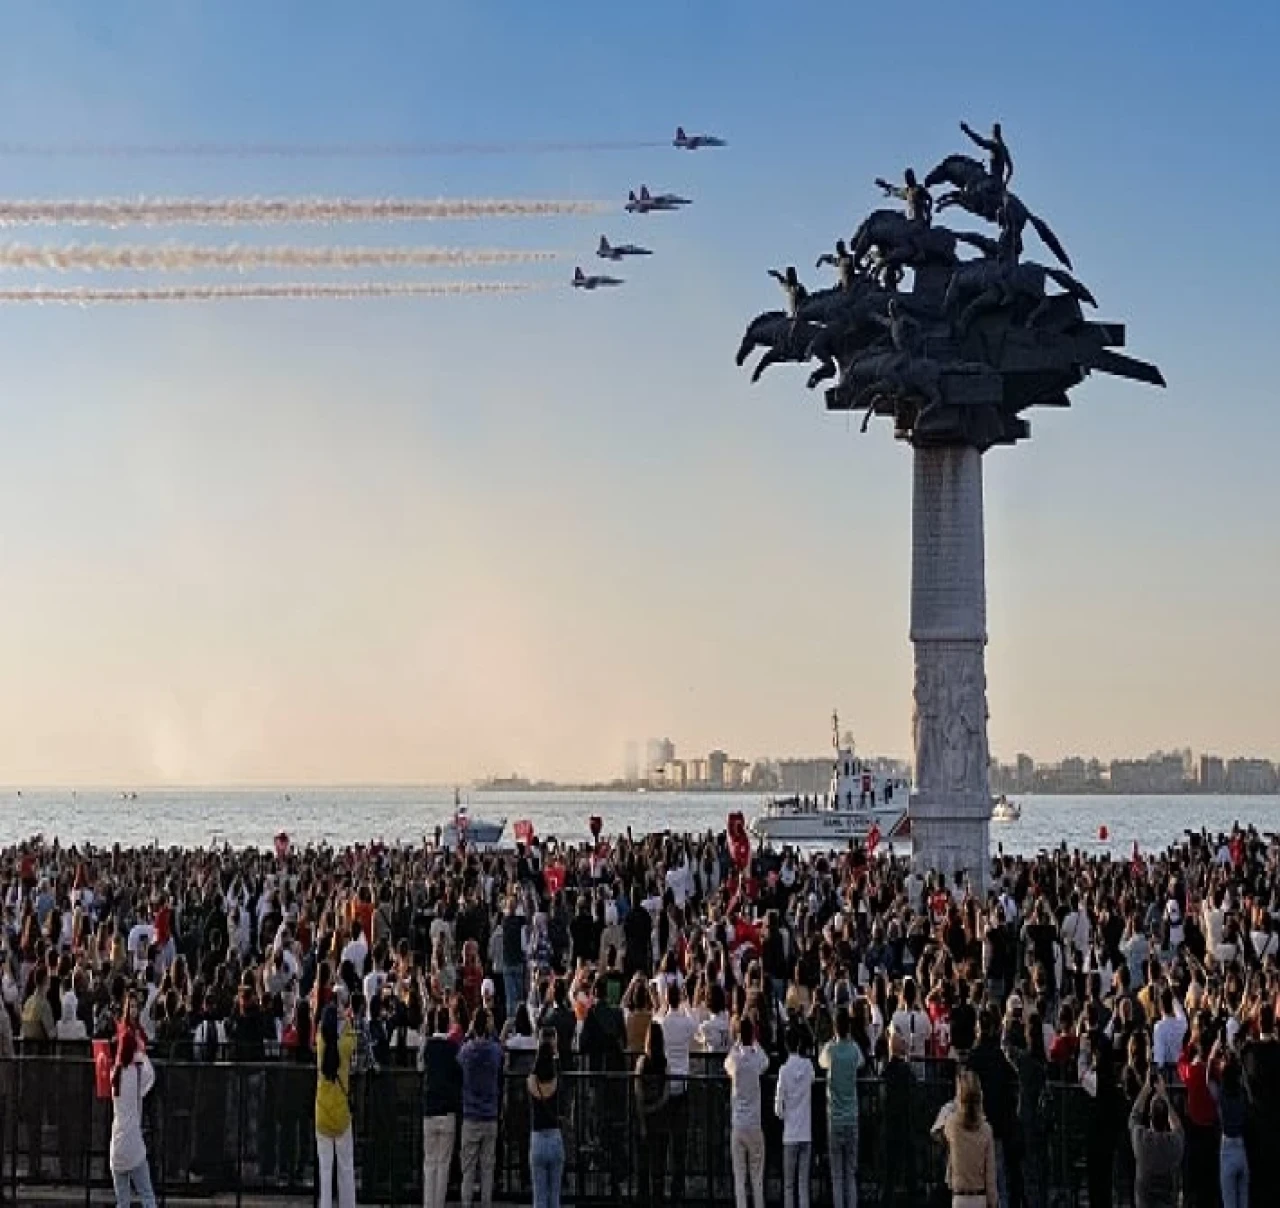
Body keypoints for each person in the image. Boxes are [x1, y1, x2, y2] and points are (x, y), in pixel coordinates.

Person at [819, 1006, 864, 1208]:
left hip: (835, 1118)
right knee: (850, 1173)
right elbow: (861, 1062)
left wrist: (832, 1040)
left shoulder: (830, 1050)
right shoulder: (854, 1050)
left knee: (837, 1175)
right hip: (852, 1117)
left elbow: (821, 1062)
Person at [458, 1007, 503, 1208]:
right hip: (490, 1114)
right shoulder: (494, 1051)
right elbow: (501, 1053)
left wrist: (469, 1034)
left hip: (470, 1115)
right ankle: (486, 1203)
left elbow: (458, 1058)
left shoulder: (467, 1051)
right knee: (487, 1169)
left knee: (467, 1170)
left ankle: (466, 1203)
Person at [932, 1070, 997, 1208]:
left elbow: (936, 1132)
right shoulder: (986, 1129)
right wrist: (993, 1201)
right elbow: (990, 1173)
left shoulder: (952, 1125)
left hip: (959, 1196)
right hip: (980, 1196)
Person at [314, 1003, 357, 1208]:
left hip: (322, 1110)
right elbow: (351, 1034)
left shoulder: (321, 1043)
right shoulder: (346, 1045)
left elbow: (322, 1029)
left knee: (325, 1169)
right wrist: (346, 1018)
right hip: (341, 1110)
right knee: (346, 1167)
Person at [109, 1029, 157, 1208]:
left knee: (122, 1202)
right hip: (134, 1143)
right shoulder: (136, 1075)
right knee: (147, 1195)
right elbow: (150, 1076)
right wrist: (142, 1051)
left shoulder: (115, 1074)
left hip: (116, 1144)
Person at [725, 1015, 769, 1208]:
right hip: (754, 1123)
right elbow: (765, 1062)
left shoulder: (735, 1059)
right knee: (757, 1178)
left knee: (739, 1180)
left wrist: (738, 1043)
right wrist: (755, 1043)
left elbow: (726, 1064)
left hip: (738, 1124)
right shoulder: (756, 1058)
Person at [420, 1004, 462, 1208]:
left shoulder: (427, 1047)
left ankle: (429, 1204)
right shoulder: (453, 1048)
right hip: (447, 1110)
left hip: (430, 1108)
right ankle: (438, 1203)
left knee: (429, 1162)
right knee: (443, 1163)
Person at [775, 1022, 815, 1208]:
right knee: (803, 1184)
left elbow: (778, 1106)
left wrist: (784, 1116)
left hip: (790, 1134)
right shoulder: (808, 1066)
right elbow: (813, 1079)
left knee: (789, 1185)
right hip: (806, 1132)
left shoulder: (783, 1071)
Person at [1129, 1071, 1183, 1208]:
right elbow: (1178, 1128)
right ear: (1166, 1120)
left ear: (1150, 1117)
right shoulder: (1173, 1144)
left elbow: (1134, 1117)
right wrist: (1165, 1097)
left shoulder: (1141, 1140)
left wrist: (1146, 1088)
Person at [634, 1020, 670, 1206]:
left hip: (645, 1117)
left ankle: (643, 1196)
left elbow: (638, 1092)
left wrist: (643, 1113)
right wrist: (657, 1106)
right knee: (659, 1162)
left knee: (643, 1162)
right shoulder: (664, 1063)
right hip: (660, 1118)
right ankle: (658, 1196)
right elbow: (666, 1093)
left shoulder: (642, 1062)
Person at [527, 1034, 564, 1208]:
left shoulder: (531, 1082)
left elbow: (532, 1075)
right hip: (555, 1136)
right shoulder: (557, 1081)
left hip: (537, 1138)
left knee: (539, 1197)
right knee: (554, 1196)